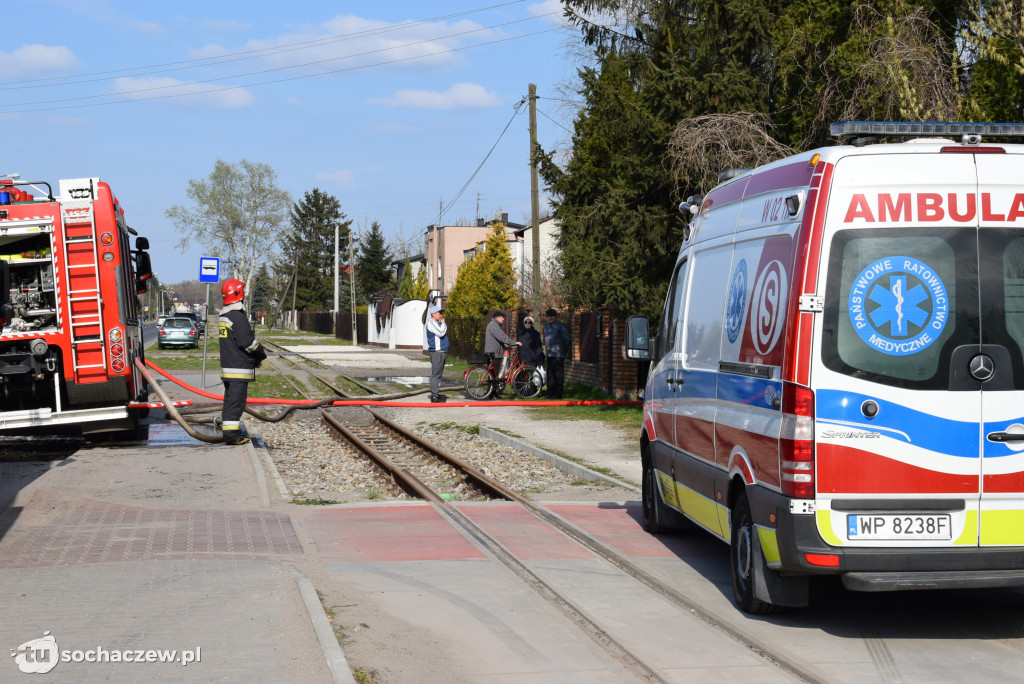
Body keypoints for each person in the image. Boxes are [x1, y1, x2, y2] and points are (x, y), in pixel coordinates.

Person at [218, 279, 266, 445]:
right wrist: (260, 353)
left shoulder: (225, 315)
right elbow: (248, 343)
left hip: (229, 368)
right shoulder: (238, 317)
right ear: (238, 294)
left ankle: (229, 433)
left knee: (230, 402)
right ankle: (232, 436)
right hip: (238, 368)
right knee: (236, 403)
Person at [424, 303, 449, 403]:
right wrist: (443, 324)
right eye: (439, 313)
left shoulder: (439, 323)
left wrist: (442, 324)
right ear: (433, 314)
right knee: (436, 374)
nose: (441, 315)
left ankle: (436, 393)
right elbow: (441, 333)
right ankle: (434, 396)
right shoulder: (431, 323)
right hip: (436, 352)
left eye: (442, 313)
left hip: (442, 351)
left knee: (439, 374)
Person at [543, 308, 571, 399]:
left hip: (558, 354)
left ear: (556, 316)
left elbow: (567, 339)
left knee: (558, 374)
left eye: (552, 316)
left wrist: (564, 350)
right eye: (549, 316)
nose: (551, 318)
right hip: (549, 354)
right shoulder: (546, 326)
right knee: (550, 374)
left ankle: (558, 394)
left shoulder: (561, 325)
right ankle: (550, 393)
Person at [484, 311, 520, 378]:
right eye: (502, 317)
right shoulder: (493, 325)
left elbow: (496, 338)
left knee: (492, 375)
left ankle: (491, 388)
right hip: (494, 353)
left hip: (494, 352)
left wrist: (503, 344)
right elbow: (502, 337)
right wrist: (514, 343)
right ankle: (493, 387)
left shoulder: (494, 325)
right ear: (497, 318)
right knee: (494, 375)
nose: (503, 319)